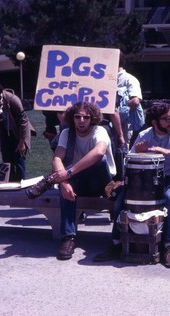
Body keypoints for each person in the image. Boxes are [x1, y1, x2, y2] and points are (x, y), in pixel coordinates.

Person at [94, 102, 170, 268]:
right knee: (122, 198)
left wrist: (165, 151)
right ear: (155, 122)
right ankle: (116, 243)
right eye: (167, 119)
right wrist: (139, 152)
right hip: (147, 179)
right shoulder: (144, 134)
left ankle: (169, 247)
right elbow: (129, 164)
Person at [49, 101, 116, 260]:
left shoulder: (100, 131)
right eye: (77, 117)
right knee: (65, 190)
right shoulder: (67, 133)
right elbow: (57, 157)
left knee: (99, 161)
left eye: (85, 117)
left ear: (92, 118)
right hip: (76, 180)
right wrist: (63, 182)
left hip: (101, 182)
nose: (81, 121)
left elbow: (99, 153)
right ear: (72, 118)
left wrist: (68, 173)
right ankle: (68, 238)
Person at [0, 79, 36, 182]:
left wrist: (22, 142)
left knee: (18, 161)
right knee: (7, 161)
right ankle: (11, 184)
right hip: (3, 134)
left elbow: (23, 121)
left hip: (17, 134)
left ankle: (21, 185)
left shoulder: (12, 100)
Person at [117, 58, 145, 151]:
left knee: (122, 150)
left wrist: (118, 113)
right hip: (105, 122)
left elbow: (135, 101)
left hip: (123, 124)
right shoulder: (104, 78)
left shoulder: (129, 79)